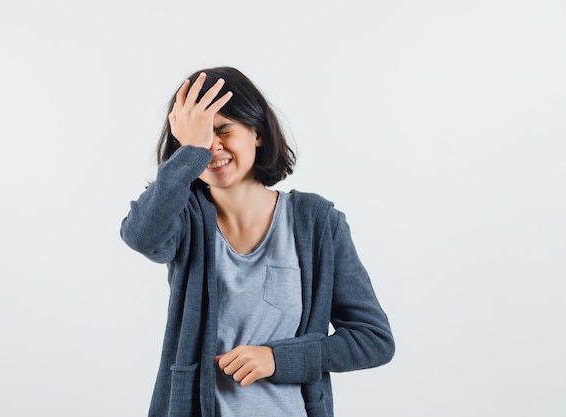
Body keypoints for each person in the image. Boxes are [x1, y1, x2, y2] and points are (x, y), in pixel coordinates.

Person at [120, 66, 395, 417]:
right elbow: (140, 236)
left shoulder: (317, 223)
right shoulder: (184, 219)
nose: (211, 146)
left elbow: (373, 339)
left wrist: (278, 359)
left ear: (258, 133)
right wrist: (189, 151)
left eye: (222, 130)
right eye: (196, 137)